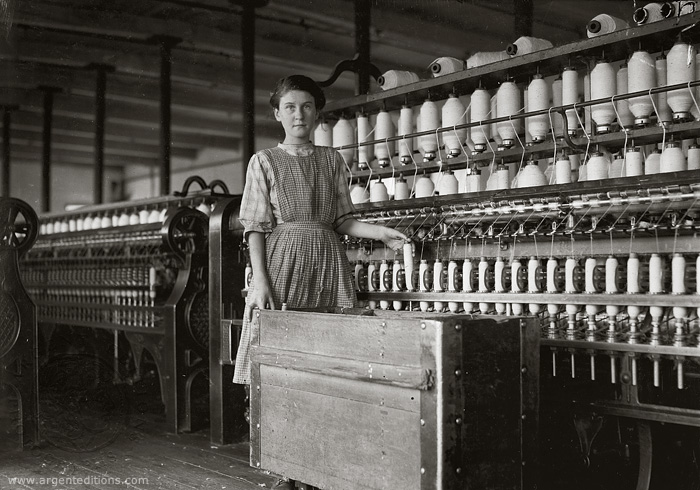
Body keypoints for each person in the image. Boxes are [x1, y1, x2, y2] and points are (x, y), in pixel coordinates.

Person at [233, 74, 408, 490]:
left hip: (329, 264)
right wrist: (260, 281)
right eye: (290, 107)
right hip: (282, 264)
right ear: (277, 114)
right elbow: (255, 227)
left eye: (307, 106)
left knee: (330, 365)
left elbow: (343, 220)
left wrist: (380, 232)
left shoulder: (333, 161)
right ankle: (285, 467)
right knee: (280, 366)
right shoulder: (264, 161)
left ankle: (323, 466)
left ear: (318, 113)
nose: (299, 114)